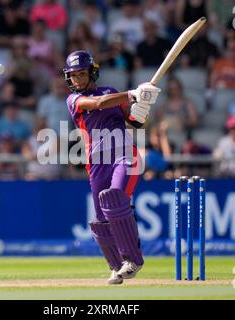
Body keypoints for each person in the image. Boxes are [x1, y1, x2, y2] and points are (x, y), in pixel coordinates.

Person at [63, 50, 161, 285]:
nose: (77, 79)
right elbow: (97, 104)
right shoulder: (74, 100)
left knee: (115, 197)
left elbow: (136, 122)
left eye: (82, 74)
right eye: (73, 75)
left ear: (92, 73)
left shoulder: (111, 93)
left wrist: (141, 106)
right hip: (97, 163)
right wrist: (132, 94)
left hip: (124, 155)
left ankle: (132, 260)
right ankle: (116, 266)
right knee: (100, 219)